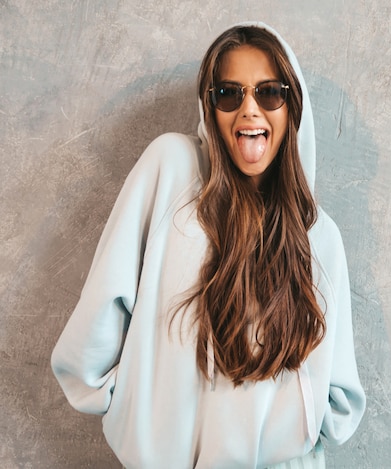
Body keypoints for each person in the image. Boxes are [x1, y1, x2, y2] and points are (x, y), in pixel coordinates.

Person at [51, 22, 366, 468]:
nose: (249, 111)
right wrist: (143, 418)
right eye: (229, 94)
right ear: (210, 106)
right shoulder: (170, 172)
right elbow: (90, 344)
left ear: (292, 107)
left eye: (269, 93)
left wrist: (291, 422)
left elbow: (338, 405)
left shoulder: (319, 239)